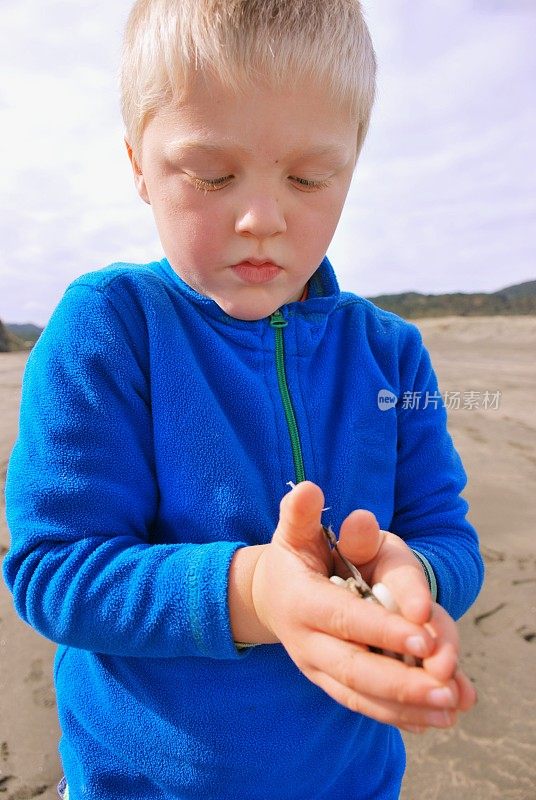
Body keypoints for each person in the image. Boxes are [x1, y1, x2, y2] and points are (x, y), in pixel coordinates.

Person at [3, 1, 484, 798]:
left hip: (351, 782)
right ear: (137, 164)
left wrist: (413, 580)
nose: (261, 217)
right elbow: (57, 570)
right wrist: (255, 592)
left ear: (351, 167)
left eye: (307, 177)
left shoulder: (392, 353)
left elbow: (446, 536)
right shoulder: (112, 328)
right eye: (211, 175)